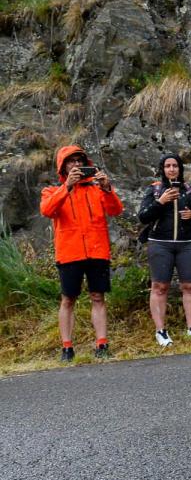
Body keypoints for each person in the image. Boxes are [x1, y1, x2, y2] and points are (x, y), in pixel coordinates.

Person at [39, 145, 125, 362]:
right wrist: (67, 187)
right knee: (68, 299)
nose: (77, 164)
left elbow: (115, 210)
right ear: (63, 166)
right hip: (69, 252)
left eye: (80, 160)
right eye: (71, 161)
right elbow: (47, 210)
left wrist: (107, 189)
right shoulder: (51, 191)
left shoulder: (97, 189)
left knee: (98, 297)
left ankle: (102, 344)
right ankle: (67, 348)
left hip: (97, 250)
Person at [137, 153, 191, 347]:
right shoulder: (154, 190)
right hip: (160, 243)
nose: (171, 169)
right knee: (160, 287)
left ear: (180, 169)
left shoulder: (190, 190)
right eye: (167, 166)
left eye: (175, 166)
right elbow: (143, 217)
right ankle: (160, 331)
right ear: (162, 169)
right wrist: (161, 202)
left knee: (190, 286)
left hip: (188, 243)